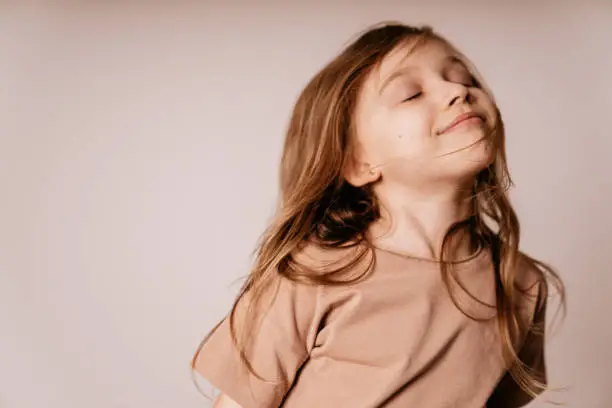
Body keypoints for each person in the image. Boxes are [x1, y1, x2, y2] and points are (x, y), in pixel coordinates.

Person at [191, 22, 565, 408]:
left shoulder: (521, 283)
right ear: (358, 162)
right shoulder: (311, 275)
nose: (458, 91)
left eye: (465, 78)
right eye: (411, 94)